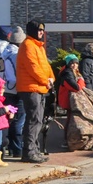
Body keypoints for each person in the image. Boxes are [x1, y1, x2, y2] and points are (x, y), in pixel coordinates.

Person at [16, 19, 55, 164]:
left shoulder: (39, 47)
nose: (41, 32)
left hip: (40, 88)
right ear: (32, 30)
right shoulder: (27, 45)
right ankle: (29, 152)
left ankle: (35, 150)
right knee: (33, 120)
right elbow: (33, 68)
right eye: (39, 30)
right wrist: (46, 81)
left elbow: (46, 66)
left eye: (42, 30)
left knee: (37, 120)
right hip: (30, 89)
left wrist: (52, 78)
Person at [0, 26, 27, 158]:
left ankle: (8, 146)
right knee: (19, 120)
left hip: (8, 90)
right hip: (19, 89)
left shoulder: (5, 53)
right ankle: (17, 148)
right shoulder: (17, 55)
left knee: (9, 119)